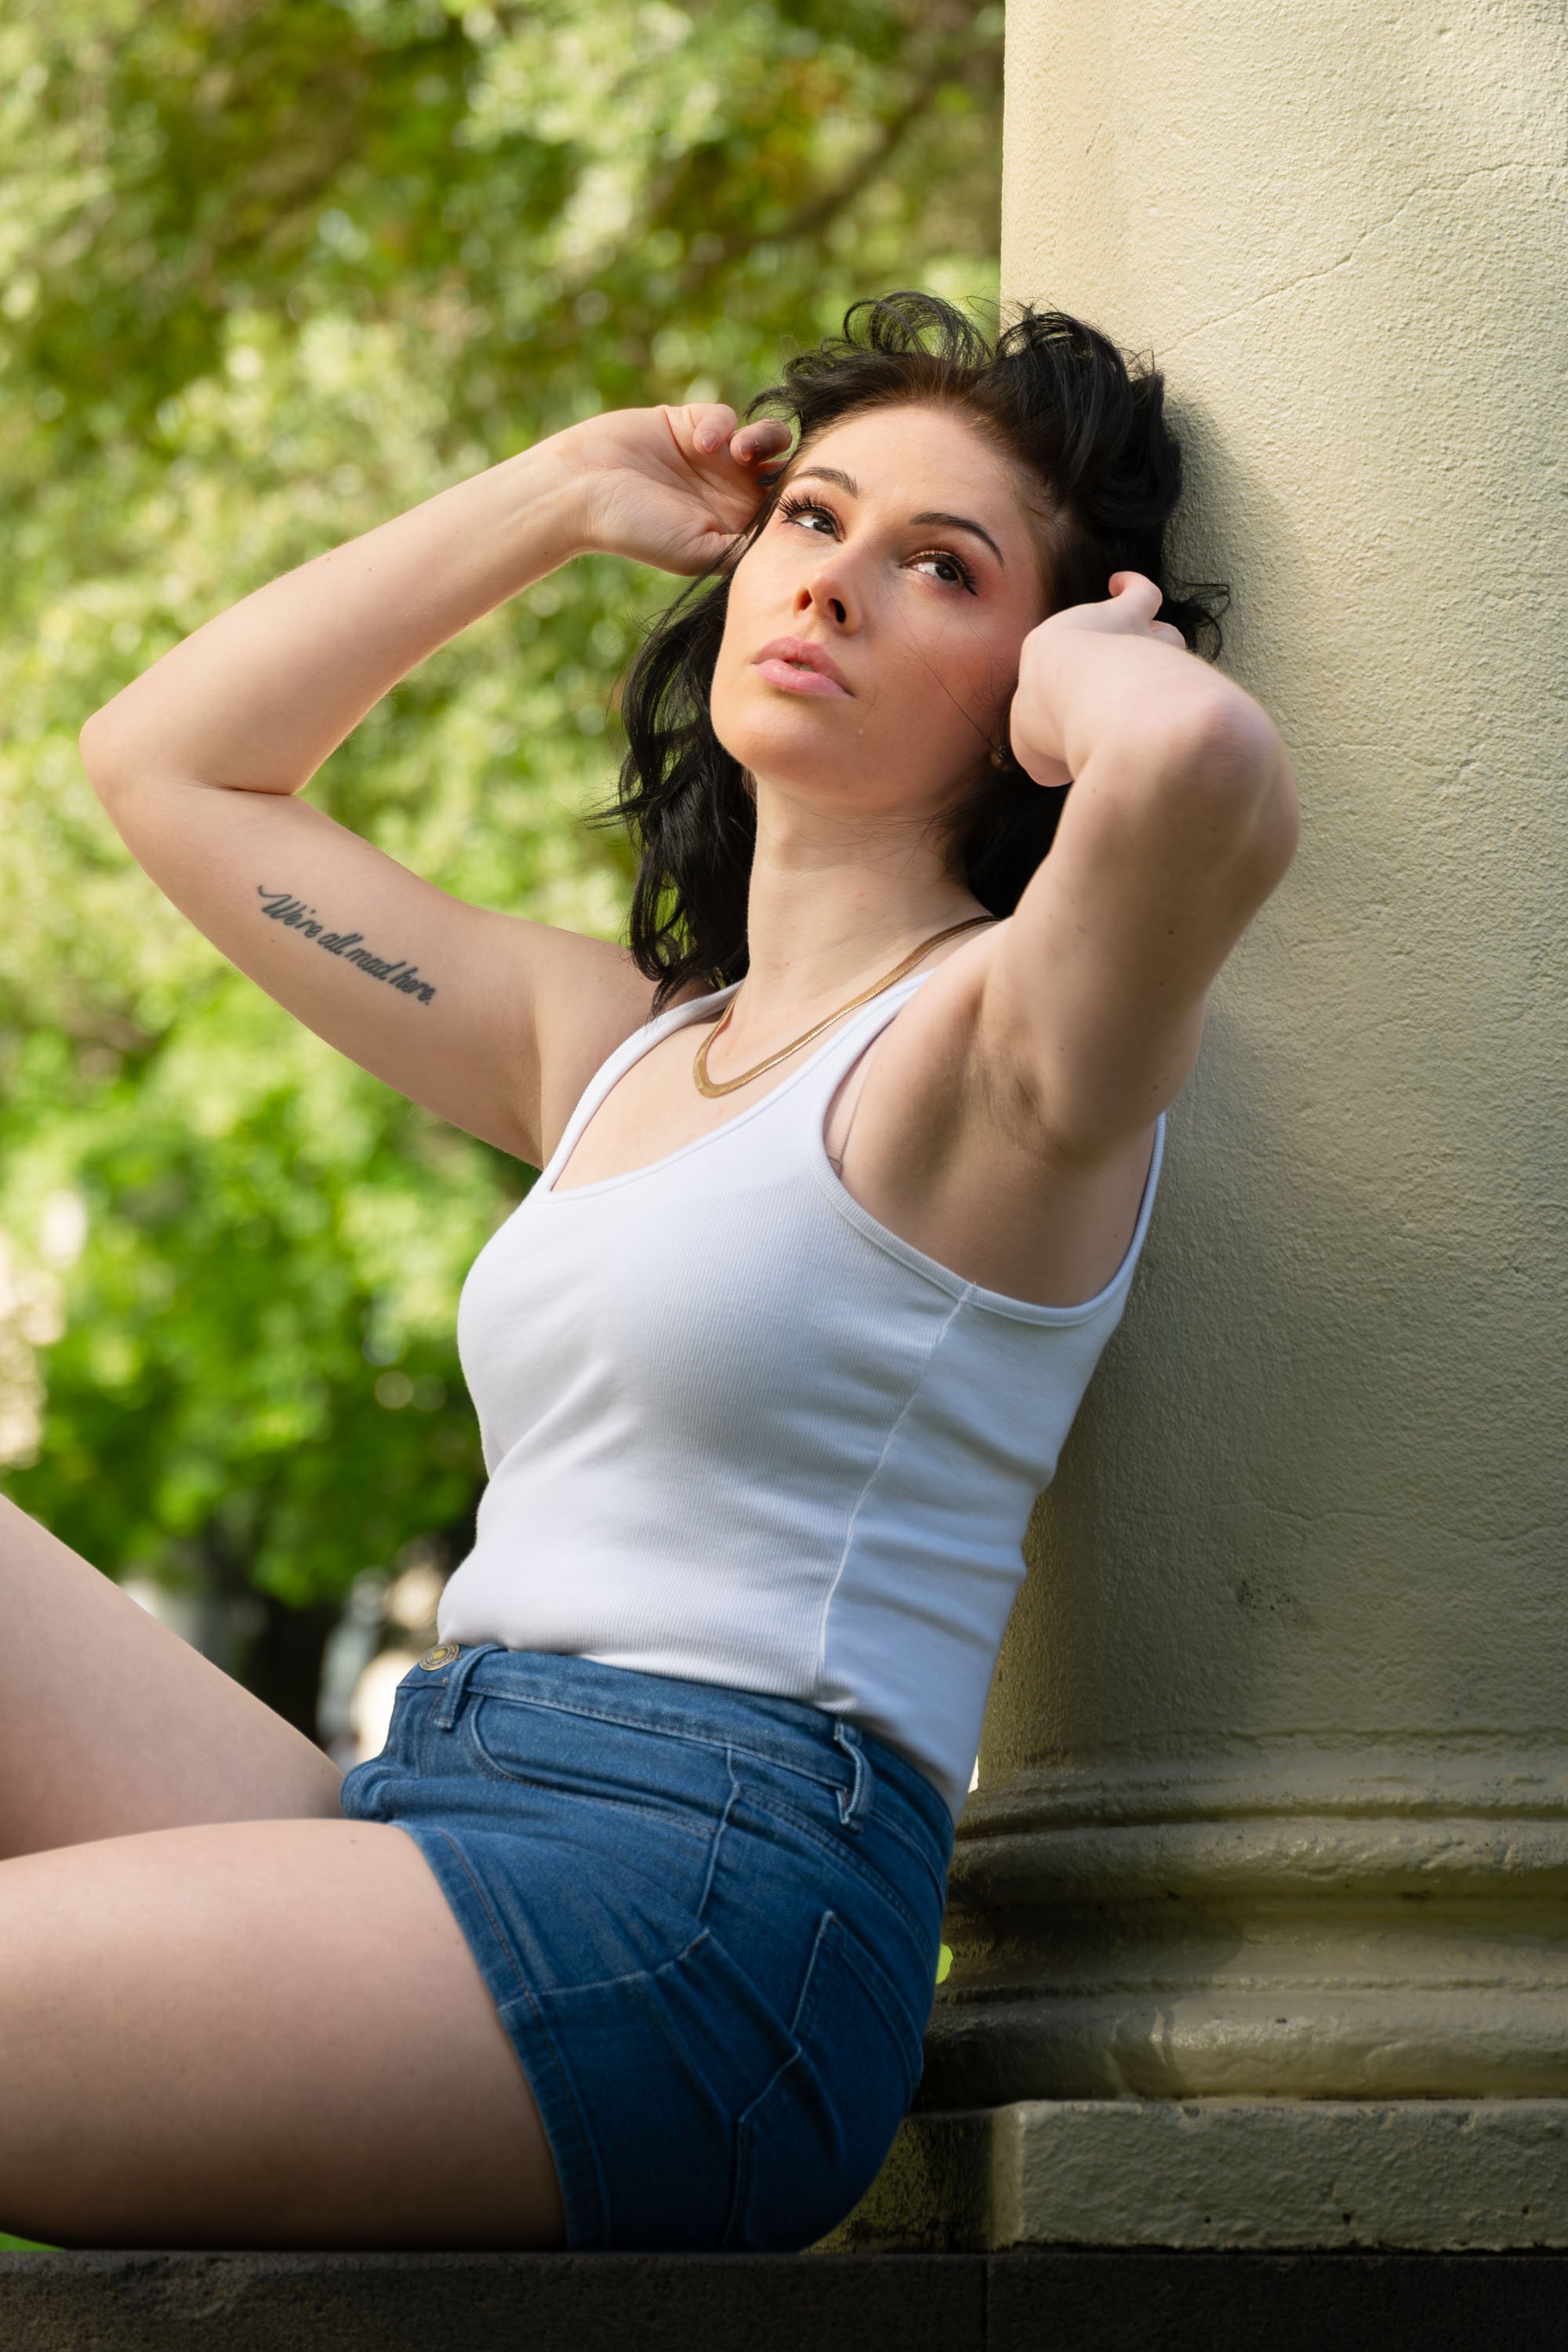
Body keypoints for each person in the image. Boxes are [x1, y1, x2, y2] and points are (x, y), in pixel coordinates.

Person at [9, 293, 1298, 2255]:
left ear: (1032, 666)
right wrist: (553, 494)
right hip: (446, 1796)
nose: (837, 585)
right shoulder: (610, 1044)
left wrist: (1087, 670)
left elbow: (1202, 768)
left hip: (710, 1914)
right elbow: (170, 768)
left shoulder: (1006, 1056)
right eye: (815, 521)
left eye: (938, 567)